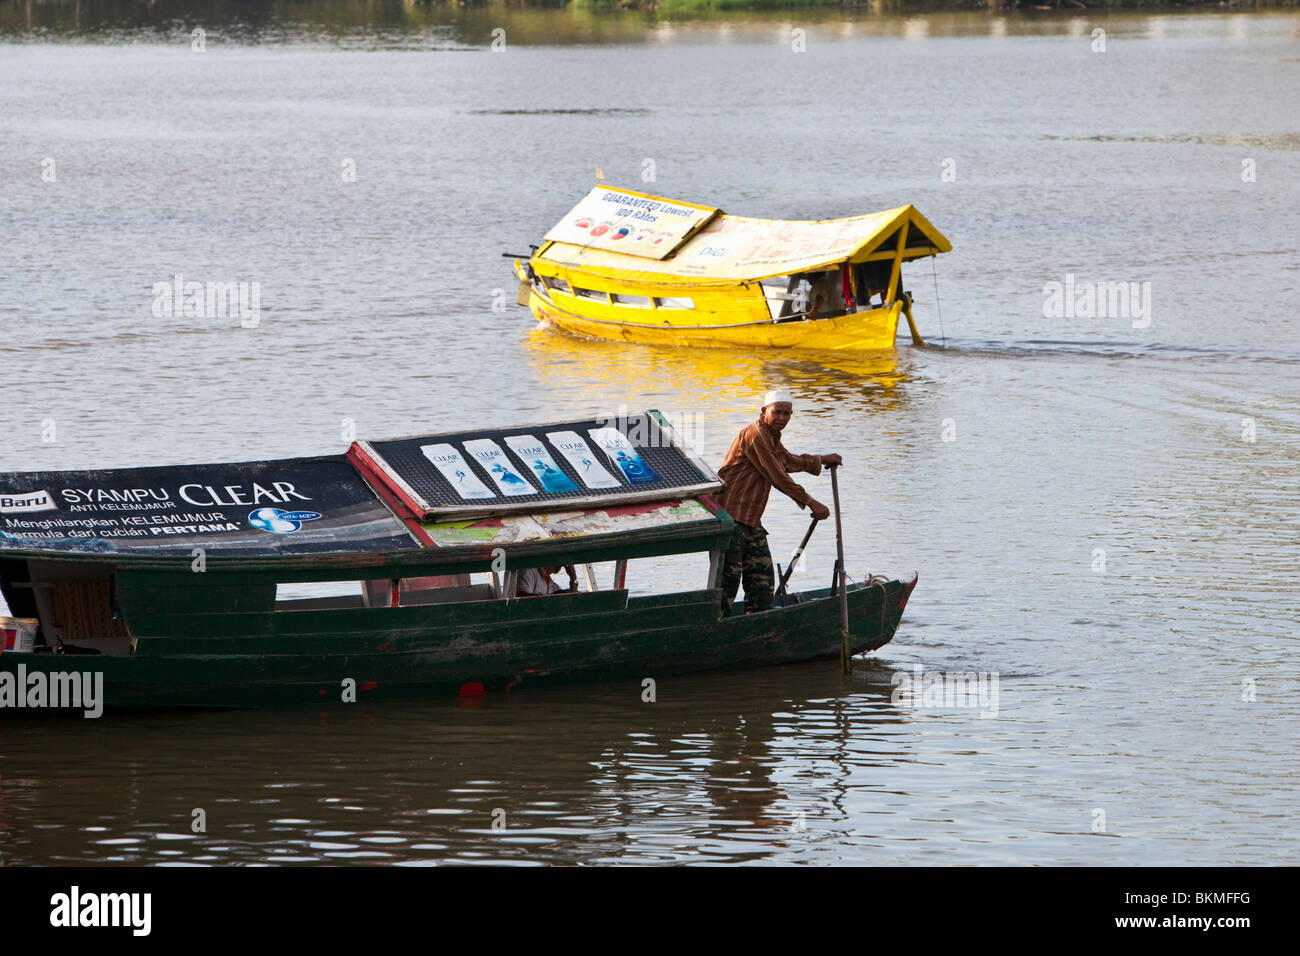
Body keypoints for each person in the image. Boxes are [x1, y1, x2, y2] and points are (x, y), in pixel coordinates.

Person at [716, 390, 842, 616]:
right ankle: (718, 628)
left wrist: (821, 459)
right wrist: (811, 502)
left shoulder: (772, 439)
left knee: (762, 583)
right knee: (728, 582)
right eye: (777, 412)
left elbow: (788, 461)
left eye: (787, 413)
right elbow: (778, 476)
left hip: (751, 521)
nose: (782, 418)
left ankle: (757, 624)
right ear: (764, 412)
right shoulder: (755, 436)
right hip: (731, 519)